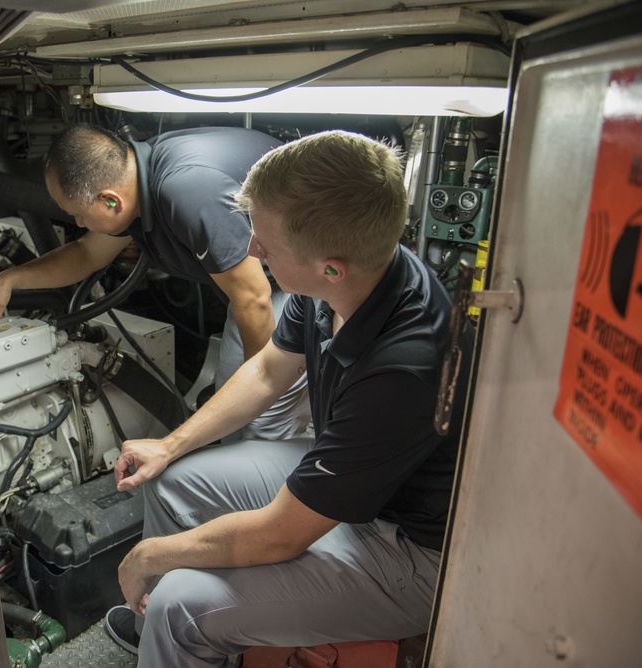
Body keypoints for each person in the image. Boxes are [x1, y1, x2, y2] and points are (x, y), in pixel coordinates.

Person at [106, 130, 473, 666]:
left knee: (183, 604)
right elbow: (270, 371)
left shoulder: (405, 366)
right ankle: (170, 637)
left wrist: (147, 555)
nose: (251, 248)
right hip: (355, 484)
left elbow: (279, 536)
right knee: (171, 482)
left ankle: (177, 628)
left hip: (411, 548)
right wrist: (171, 444)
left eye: (266, 244)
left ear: (331, 266)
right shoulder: (340, 283)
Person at [0, 123, 310, 440]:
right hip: (263, 284)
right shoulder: (133, 180)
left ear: (111, 200)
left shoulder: (184, 189)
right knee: (237, 417)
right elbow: (86, 255)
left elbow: (254, 299)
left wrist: (258, 390)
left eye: (79, 213)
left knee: (256, 424)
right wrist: (9, 280)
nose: (79, 222)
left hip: (306, 278)